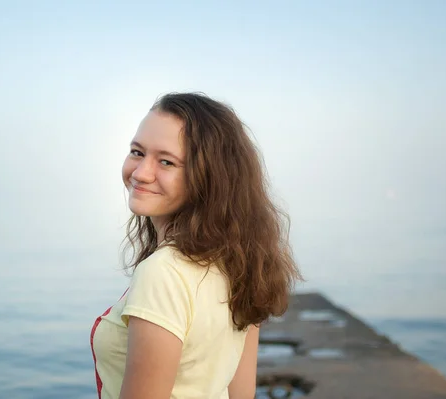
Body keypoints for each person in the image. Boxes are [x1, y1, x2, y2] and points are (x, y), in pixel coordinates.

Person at [90, 92, 302, 399]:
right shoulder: (239, 262)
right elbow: (241, 394)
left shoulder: (162, 273)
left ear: (207, 177)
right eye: (137, 152)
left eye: (166, 161)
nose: (141, 173)